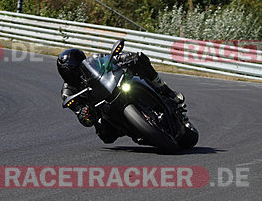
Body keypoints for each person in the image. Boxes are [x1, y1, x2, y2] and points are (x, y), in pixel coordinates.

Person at [57, 47, 186, 144]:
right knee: (106, 136)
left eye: (74, 69)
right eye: (67, 72)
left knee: (140, 59)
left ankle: (167, 91)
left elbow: (110, 59)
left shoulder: (93, 62)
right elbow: (82, 117)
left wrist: (125, 57)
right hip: (102, 109)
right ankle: (140, 130)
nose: (72, 74)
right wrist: (84, 113)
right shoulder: (67, 93)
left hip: (115, 87)